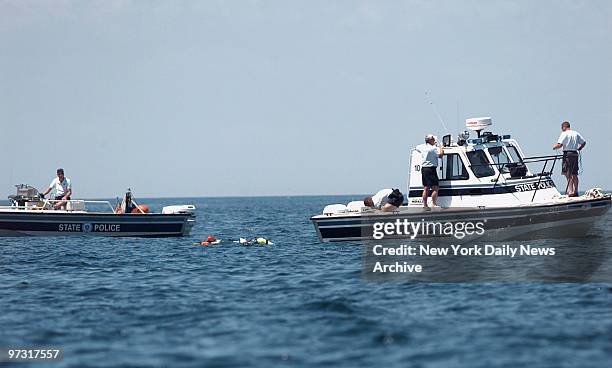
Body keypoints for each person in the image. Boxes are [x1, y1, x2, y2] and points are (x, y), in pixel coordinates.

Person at [553, 121, 586, 197]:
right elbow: (584, 142)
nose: (561, 129)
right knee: (574, 174)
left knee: (568, 174)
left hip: (567, 154)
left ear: (564, 127)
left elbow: (560, 144)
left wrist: (554, 147)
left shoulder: (564, 133)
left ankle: (570, 191)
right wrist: (580, 148)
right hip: (575, 154)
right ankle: (576, 191)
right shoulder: (576, 133)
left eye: (562, 128)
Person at [416, 134, 444, 210]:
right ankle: (434, 204)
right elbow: (440, 155)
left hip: (424, 169)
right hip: (431, 169)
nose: (434, 141)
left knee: (426, 188)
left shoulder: (421, 147)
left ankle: (425, 205)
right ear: (430, 140)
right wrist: (441, 147)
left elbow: (417, 148)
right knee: (435, 188)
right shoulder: (433, 148)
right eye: (433, 139)